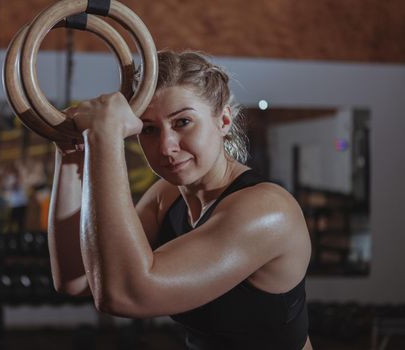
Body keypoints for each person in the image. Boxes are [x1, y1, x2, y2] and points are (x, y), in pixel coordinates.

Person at [47, 50, 313, 350]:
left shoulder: (267, 210)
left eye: (183, 122)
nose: (166, 147)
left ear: (223, 120)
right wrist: (70, 152)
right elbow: (76, 279)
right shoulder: (166, 196)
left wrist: (104, 140)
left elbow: (124, 295)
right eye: (149, 129)